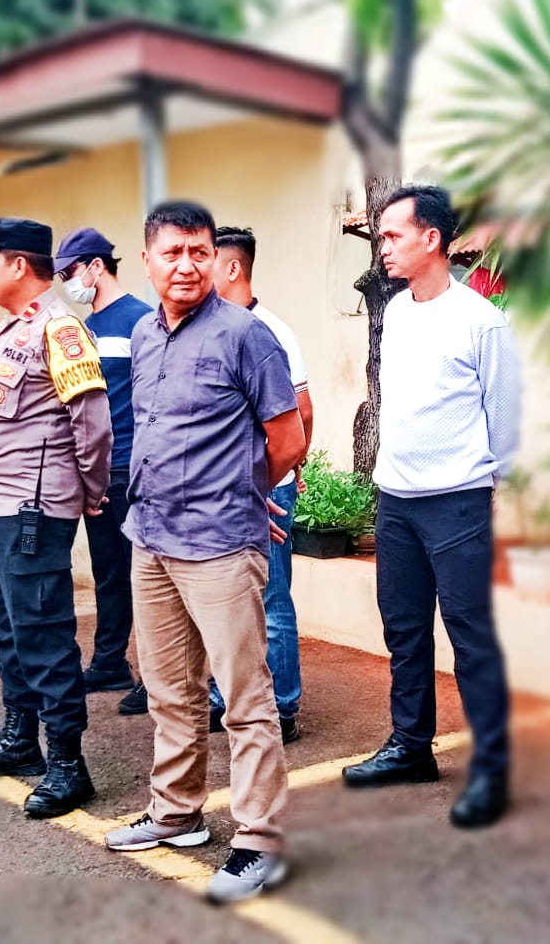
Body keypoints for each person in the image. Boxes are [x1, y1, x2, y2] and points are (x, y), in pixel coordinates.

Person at [102, 201, 305, 906]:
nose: (186, 265)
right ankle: (176, 812)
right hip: (151, 537)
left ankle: (260, 841)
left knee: (245, 699)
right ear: (147, 260)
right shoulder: (142, 333)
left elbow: (288, 437)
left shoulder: (245, 335)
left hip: (219, 543)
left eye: (198, 252)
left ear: (216, 258)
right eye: (172, 252)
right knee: (169, 689)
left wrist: (246, 491)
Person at [342, 186, 521, 830]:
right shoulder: (396, 313)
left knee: (471, 639)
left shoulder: (481, 321)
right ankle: (411, 746)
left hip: (458, 506)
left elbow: (505, 421)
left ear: (432, 239)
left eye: (393, 236)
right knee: (404, 629)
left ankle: (492, 773)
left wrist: (492, 489)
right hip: (397, 503)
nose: (383, 248)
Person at [0, 217, 113, 820]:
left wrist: (90, 491)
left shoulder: (60, 329)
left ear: (19, 265)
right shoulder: (11, 329)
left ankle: (68, 764)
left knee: (43, 634)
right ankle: (21, 738)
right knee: (8, 626)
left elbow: (91, 423)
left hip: (33, 508)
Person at [209, 226, 314, 744]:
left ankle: (283, 705)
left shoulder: (270, 330)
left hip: (264, 488)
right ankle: (225, 696)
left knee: (271, 598)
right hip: (220, 491)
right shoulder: (206, 327)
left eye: (205, 258)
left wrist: (275, 478)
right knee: (224, 598)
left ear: (233, 268)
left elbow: (303, 413)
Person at [53, 227, 152, 716]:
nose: (66, 282)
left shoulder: (141, 321)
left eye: (70, 271)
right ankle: (110, 661)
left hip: (133, 468)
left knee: (147, 578)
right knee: (110, 572)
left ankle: (158, 676)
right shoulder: (85, 326)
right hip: (98, 470)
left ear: (97, 266)